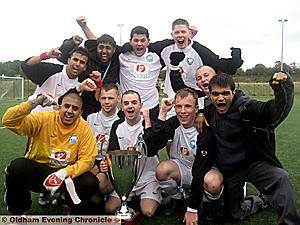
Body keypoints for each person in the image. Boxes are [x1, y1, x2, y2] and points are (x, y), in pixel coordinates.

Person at [184, 73, 300, 225]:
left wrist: (283, 87)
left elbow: (274, 111)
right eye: (216, 94)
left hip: (254, 163)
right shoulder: (209, 112)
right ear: (210, 95)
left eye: (225, 93)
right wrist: (200, 113)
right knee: (234, 214)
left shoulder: (248, 107)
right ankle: (263, 201)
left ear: (233, 92)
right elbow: (206, 111)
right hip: (230, 170)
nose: (220, 98)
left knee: (280, 177)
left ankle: (289, 222)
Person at [2, 91, 99, 215]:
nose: (70, 111)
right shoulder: (44, 118)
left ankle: (66, 201)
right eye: (67, 106)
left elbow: (88, 159)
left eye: (75, 108)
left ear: (80, 113)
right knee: (17, 167)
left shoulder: (84, 127)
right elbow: (8, 121)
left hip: (66, 175)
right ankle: (19, 211)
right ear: (60, 107)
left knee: (90, 182)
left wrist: (65, 172)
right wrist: (32, 103)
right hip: (41, 172)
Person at [149, 18, 243, 117]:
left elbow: (220, 64)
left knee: (196, 127)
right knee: (171, 127)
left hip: (196, 98)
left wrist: (235, 60)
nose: (180, 35)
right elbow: (145, 46)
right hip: (173, 96)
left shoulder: (200, 51)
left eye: (183, 32)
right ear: (172, 34)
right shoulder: (165, 47)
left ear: (189, 33)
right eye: (177, 32)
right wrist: (130, 46)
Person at [153, 88, 223, 216]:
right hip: (183, 166)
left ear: (196, 108)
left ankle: (205, 202)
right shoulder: (173, 123)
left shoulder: (204, 126)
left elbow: (201, 168)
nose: (183, 111)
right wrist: (162, 113)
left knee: (213, 183)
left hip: (205, 169)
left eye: (187, 106)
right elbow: (153, 146)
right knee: (161, 170)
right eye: (179, 106)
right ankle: (178, 198)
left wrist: (192, 207)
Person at [103, 90, 162, 217]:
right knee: (110, 208)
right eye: (126, 103)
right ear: (122, 107)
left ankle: (156, 194)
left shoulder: (149, 123)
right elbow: (112, 153)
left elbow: (152, 149)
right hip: (126, 178)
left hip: (148, 177)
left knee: (148, 211)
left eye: (134, 102)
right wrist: (106, 164)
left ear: (141, 105)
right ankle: (130, 198)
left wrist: (147, 120)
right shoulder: (117, 126)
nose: (130, 106)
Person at [21, 45, 90, 113]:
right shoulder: (52, 71)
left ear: (85, 67)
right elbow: (26, 66)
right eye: (75, 60)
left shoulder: (84, 83)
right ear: (68, 60)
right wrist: (46, 55)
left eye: (82, 62)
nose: (77, 64)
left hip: (60, 123)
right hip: (37, 120)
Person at [118, 26, 162, 120]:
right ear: (130, 41)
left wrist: (190, 36)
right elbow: (99, 43)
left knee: (152, 134)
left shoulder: (157, 56)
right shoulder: (122, 55)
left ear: (148, 41)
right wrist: (83, 26)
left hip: (151, 106)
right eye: (136, 40)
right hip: (128, 106)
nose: (139, 44)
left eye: (142, 40)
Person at [87, 83, 121, 194]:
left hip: (113, 163)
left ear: (118, 99)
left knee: (99, 183)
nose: (106, 102)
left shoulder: (122, 119)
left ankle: (112, 189)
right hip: (93, 161)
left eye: (110, 98)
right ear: (99, 99)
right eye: (104, 98)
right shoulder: (91, 118)